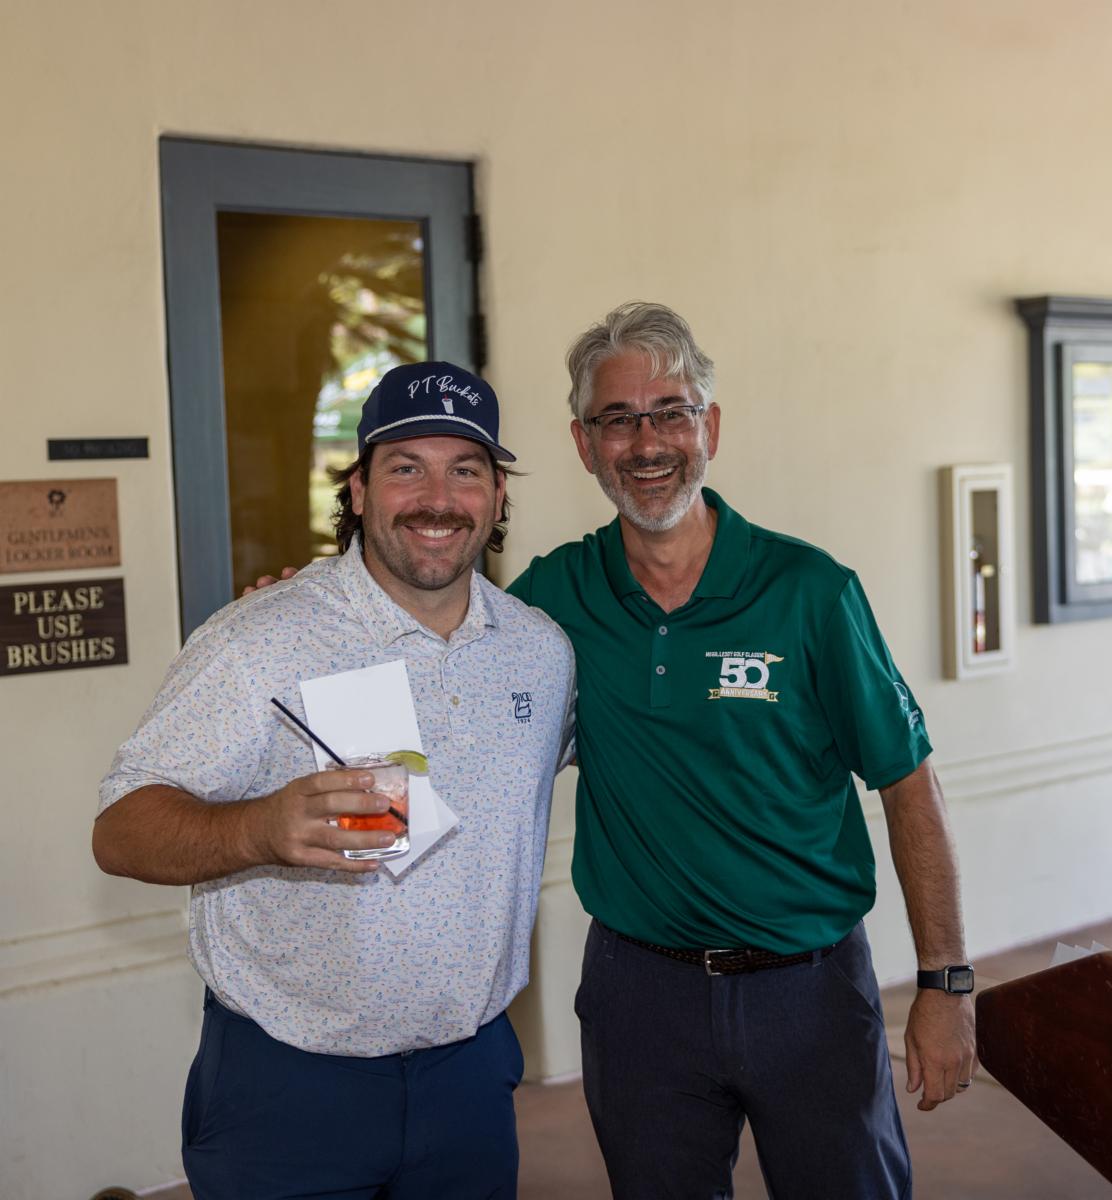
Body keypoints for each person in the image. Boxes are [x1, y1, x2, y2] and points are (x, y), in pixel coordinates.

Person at [503, 302, 976, 1199]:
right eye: (618, 419)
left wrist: (945, 983)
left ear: (709, 428)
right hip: (640, 999)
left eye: (671, 413)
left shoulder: (811, 592)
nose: (647, 443)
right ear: (584, 443)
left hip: (810, 992)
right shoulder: (552, 598)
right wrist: (308, 620)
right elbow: (442, 668)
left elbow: (909, 784)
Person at [92, 362, 575, 1200]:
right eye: (406, 468)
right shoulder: (258, 641)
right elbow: (120, 830)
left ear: (499, 496)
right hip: (288, 1084)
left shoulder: (540, 651)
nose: (437, 498)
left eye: (466, 470)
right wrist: (256, 828)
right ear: (357, 489)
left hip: (469, 1076)